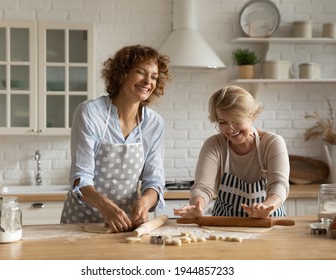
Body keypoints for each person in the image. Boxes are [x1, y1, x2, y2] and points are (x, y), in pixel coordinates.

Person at [61, 45, 171, 232]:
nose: (148, 81)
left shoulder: (154, 124)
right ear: (122, 74)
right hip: (80, 222)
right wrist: (105, 206)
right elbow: (81, 177)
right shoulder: (90, 113)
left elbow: (154, 180)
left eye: (153, 77)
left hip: (125, 224)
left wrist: (144, 202)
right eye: (141, 72)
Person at [174, 86, 290, 219]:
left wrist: (266, 207)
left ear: (251, 117)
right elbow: (203, 187)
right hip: (224, 223)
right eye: (223, 123)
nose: (230, 129)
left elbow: (279, 184)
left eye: (235, 120)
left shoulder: (272, 143)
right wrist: (196, 206)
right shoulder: (214, 145)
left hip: (267, 221)